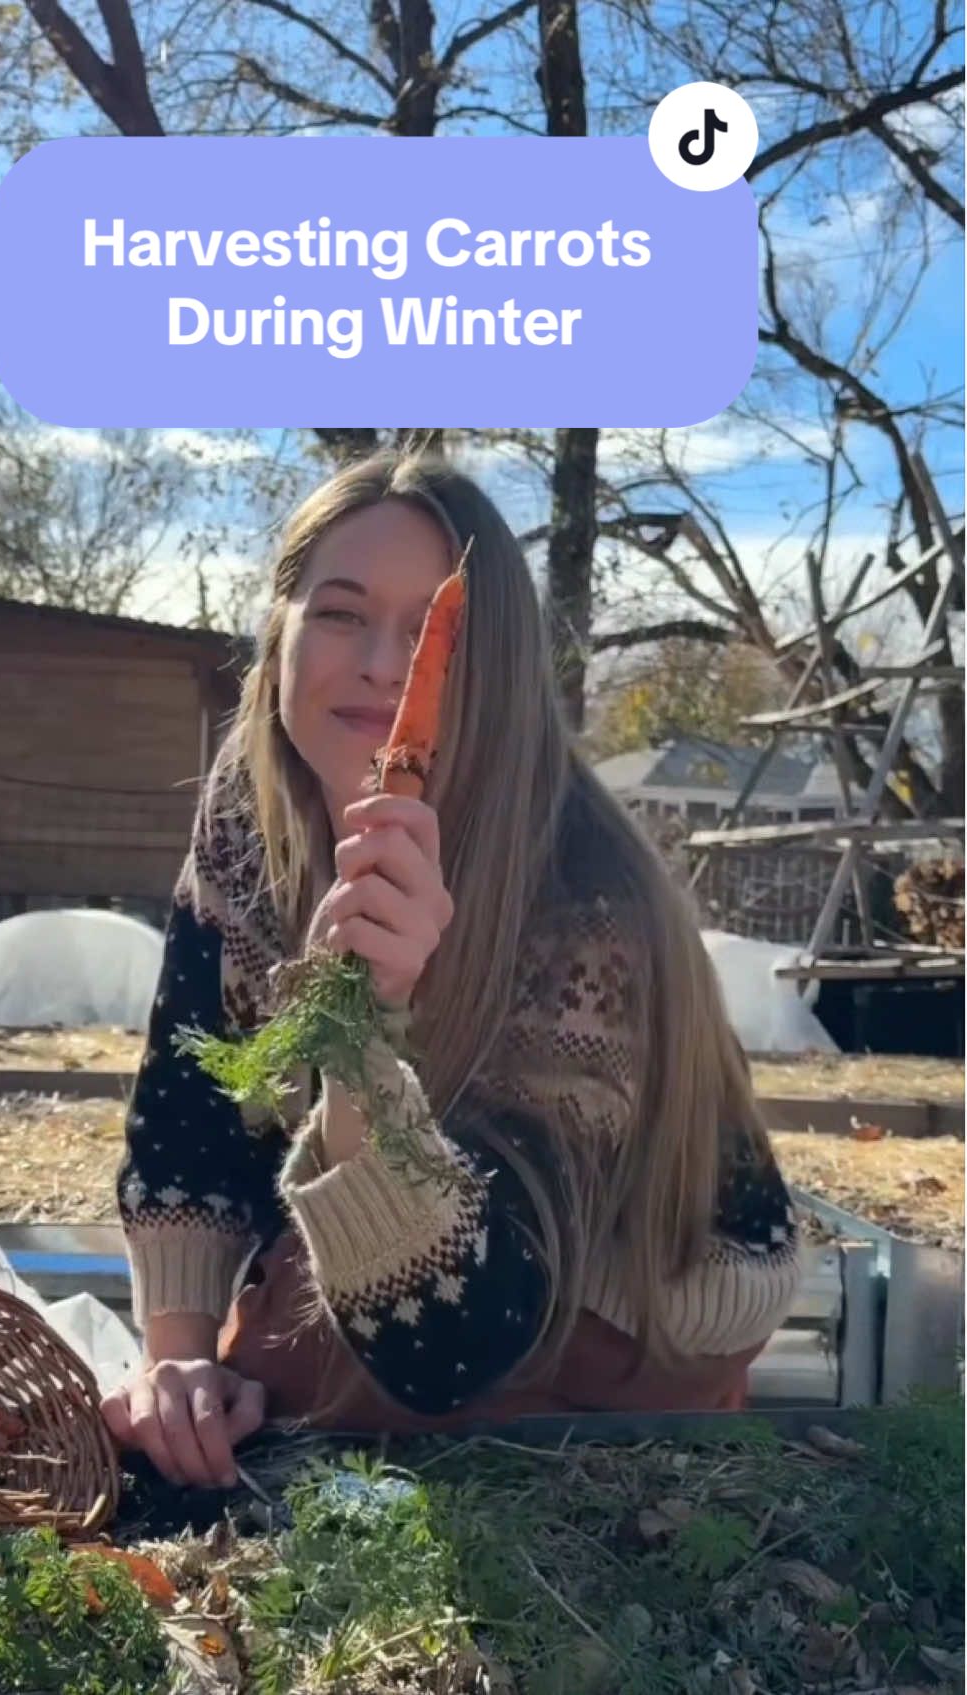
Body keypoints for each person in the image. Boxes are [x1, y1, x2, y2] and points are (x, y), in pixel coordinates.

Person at [102, 451, 801, 1488]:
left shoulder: (588, 904)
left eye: (438, 634)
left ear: (498, 673)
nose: (385, 665)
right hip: (387, 1261)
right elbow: (192, 1116)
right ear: (279, 631)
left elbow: (456, 1349)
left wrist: (363, 1027)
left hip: (613, 1320)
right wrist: (179, 1360)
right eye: (340, 614)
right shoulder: (248, 819)